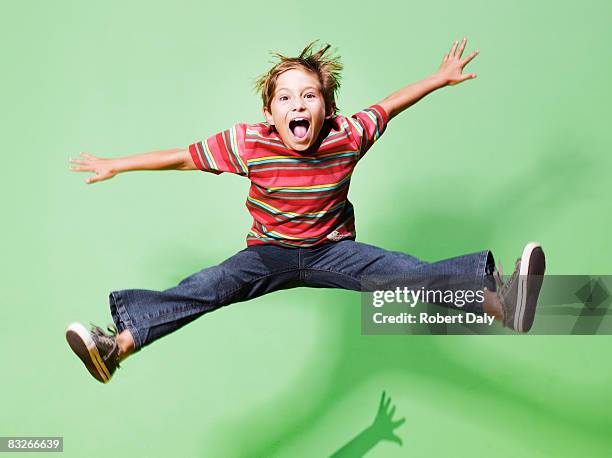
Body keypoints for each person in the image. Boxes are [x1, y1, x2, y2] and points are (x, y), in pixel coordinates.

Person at [65, 39, 546, 384]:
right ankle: (118, 347)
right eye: (286, 98)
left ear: (327, 106)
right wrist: (117, 165)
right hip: (268, 254)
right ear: (271, 113)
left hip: (333, 251)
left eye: (309, 96)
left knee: (406, 273)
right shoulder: (248, 143)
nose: (298, 104)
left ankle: (505, 305)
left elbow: (390, 105)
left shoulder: (347, 135)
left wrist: (439, 79)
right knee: (206, 287)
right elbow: (181, 157)